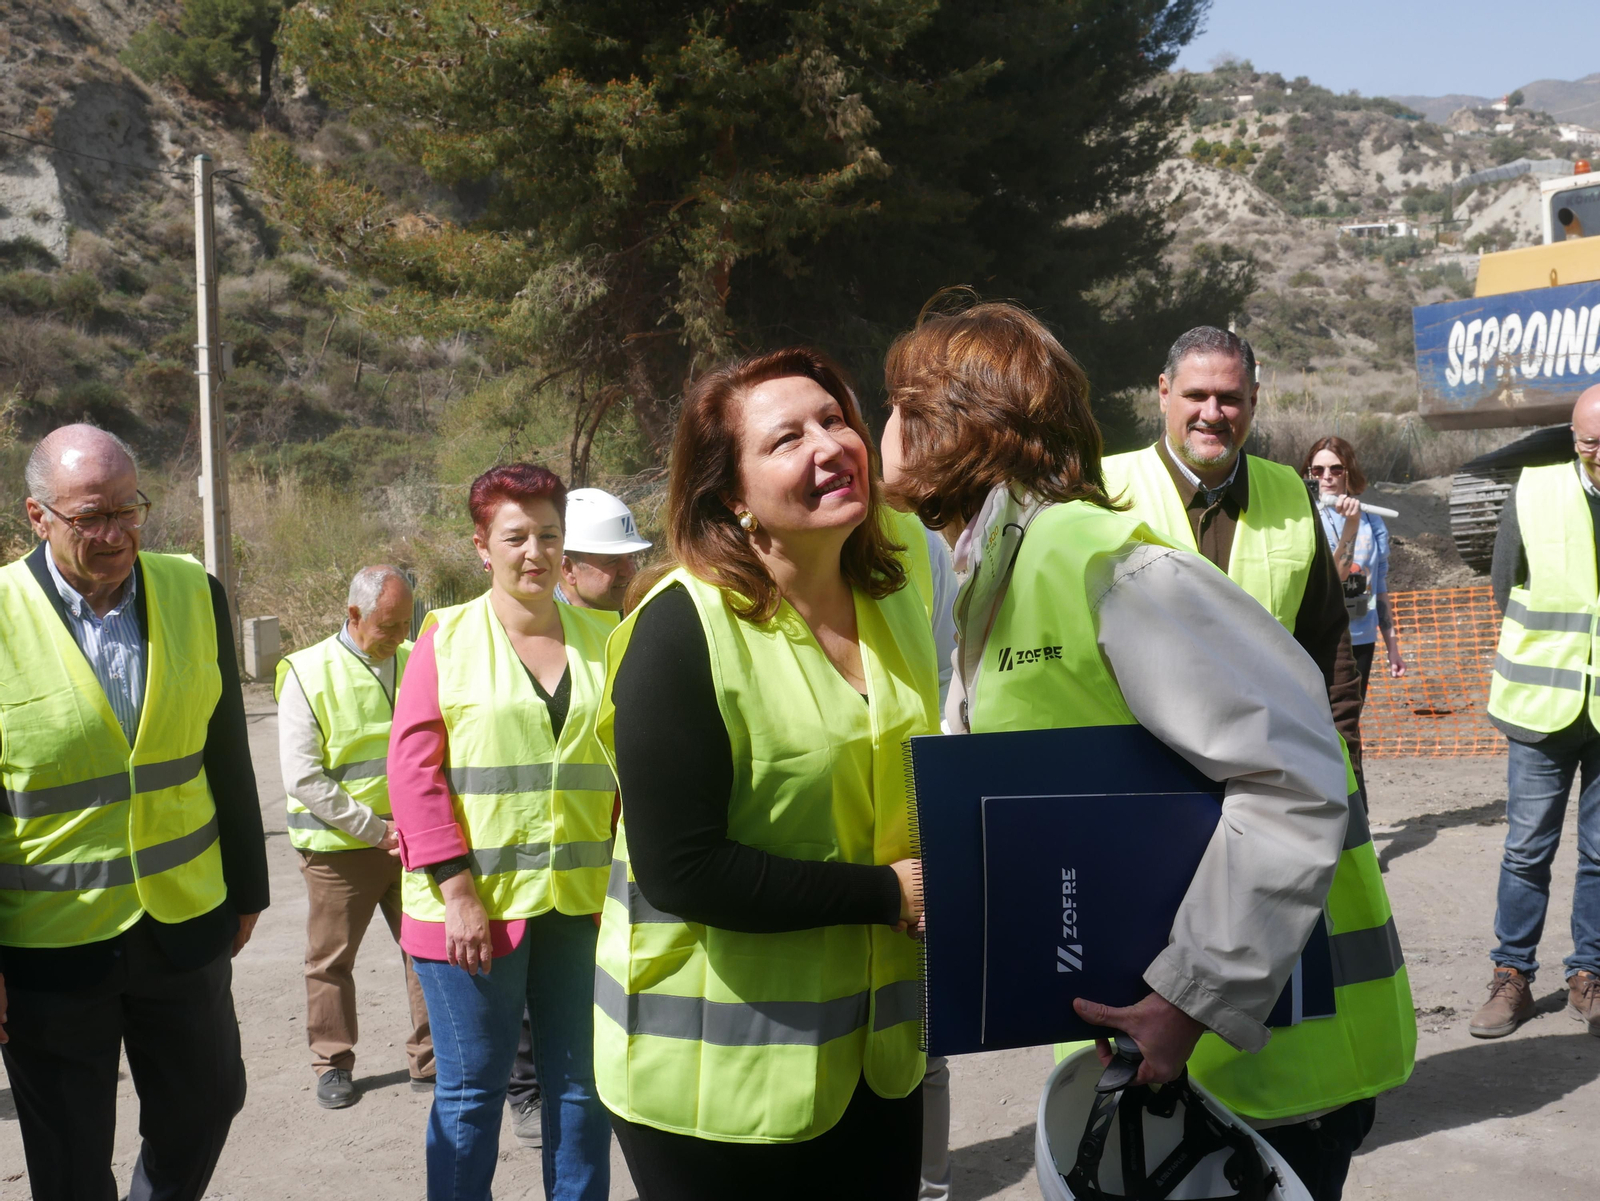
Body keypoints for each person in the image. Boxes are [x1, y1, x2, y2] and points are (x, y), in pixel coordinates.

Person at [880, 301, 1415, 1201]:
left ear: (954, 425)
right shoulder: (993, 572)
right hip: (1159, 1066)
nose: (876, 427)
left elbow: (1298, 778)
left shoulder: (1102, 565)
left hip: (1264, 1070)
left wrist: (1191, 995)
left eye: (897, 403)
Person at [595, 347, 936, 1200]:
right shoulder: (678, 632)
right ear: (731, 497)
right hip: (712, 1092)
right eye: (788, 437)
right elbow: (683, 869)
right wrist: (886, 895)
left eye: (836, 419)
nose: (830, 444)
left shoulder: (898, 595)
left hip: (873, 1065)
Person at [0, 423, 269, 1200]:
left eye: (130, 509)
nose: (116, 533)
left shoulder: (194, 591)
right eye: (92, 516)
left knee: (210, 1100)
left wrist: (248, 888)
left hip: (184, 927)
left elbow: (225, 750)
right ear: (38, 515)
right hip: (51, 946)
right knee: (70, 1157)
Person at [389, 463, 613, 1201]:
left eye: (550, 535)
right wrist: (457, 892)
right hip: (470, 910)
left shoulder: (605, 638)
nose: (535, 552)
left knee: (582, 1087)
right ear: (482, 546)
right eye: (516, 536)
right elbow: (414, 773)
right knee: (472, 1092)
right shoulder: (444, 638)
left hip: (579, 902)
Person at [1101, 327, 1367, 777]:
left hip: (1267, 770)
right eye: (1196, 395)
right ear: (1164, 393)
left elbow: (1327, 646)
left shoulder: (1290, 493)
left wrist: (1346, 770)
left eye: (1229, 398)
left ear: (1254, 399)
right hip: (1139, 771)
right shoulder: (1102, 492)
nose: (1212, 413)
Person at [509, 486, 645, 1146]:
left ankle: (583, 1087)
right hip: (527, 849)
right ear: (565, 565)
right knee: (530, 993)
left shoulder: (622, 633)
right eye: (608, 561)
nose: (623, 572)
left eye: (627, 560)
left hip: (601, 845)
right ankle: (527, 1091)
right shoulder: (521, 634)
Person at [275, 564, 434, 1108]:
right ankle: (333, 1063)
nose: (398, 638)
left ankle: (431, 1060)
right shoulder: (306, 670)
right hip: (340, 849)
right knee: (331, 960)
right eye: (387, 627)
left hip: (414, 841)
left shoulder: (414, 659)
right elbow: (302, 776)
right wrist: (375, 830)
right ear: (353, 615)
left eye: (404, 625)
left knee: (427, 952)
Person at [1475, 382, 1600, 1040]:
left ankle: (1590, 975)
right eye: (1590, 441)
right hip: (1542, 702)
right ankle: (1512, 976)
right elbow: (1504, 587)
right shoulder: (1536, 490)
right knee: (1527, 848)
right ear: (1573, 438)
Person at [1303, 437, 1406, 694]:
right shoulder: (1305, 517)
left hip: (1361, 635)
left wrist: (1392, 647)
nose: (1327, 477)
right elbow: (1335, 576)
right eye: (1318, 470)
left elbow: (1379, 585)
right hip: (1320, 637)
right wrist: (1352, 524)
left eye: (1336, 469)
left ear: (1349, 472)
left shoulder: (1372, 521)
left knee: (1351, 719)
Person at [554, 487, 651, 612]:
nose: (629, 571)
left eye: (631, 557)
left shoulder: (642, 617)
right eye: (613, 560)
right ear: (568, 569)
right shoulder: (539, 627)